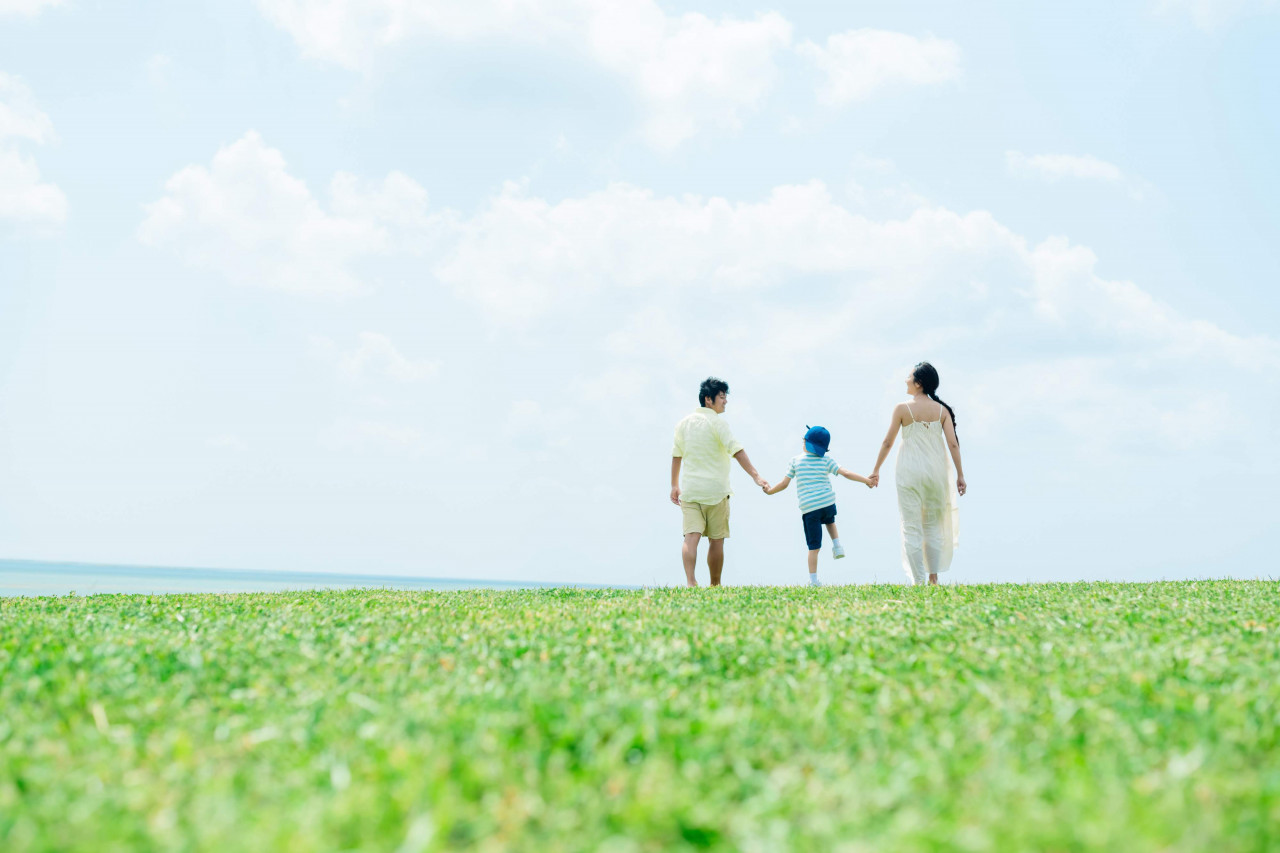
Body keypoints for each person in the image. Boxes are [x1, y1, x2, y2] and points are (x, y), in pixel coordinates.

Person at [868, 362, 966, 585]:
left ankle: (919, 582)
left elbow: (887, 442)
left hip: (909, 471)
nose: (905, 379)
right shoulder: (942, 410)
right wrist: (960, 475)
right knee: (932, 525)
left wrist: (875, 470)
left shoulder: (902, 409)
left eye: (909, 376)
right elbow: (953, 445)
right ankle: (933, 579)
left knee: (911, 526)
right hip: (936, 473)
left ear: (919, 383)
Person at [670, 377, 769, 587]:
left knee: (690, 537)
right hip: (716, 492)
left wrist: (674, 485)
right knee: (716, 540)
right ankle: (715, 585)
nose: (725, 402)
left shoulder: (682, 424)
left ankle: (690, 582)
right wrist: (756, 476)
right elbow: (736, 450)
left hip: (690, 491)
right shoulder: (718, 423)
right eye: (722, 397)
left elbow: (676, 455)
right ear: (708, 400)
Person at [763, 425, 875, 586]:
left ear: (806, 442)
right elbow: (846, 473)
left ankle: (813, 580)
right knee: (830, 520)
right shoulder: (826, 460)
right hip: (827, 502)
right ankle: (837, 545)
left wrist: (770, 491)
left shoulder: (795, 461)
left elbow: (784, 484)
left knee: (814, 547)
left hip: (810, 508)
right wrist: (866, 480)